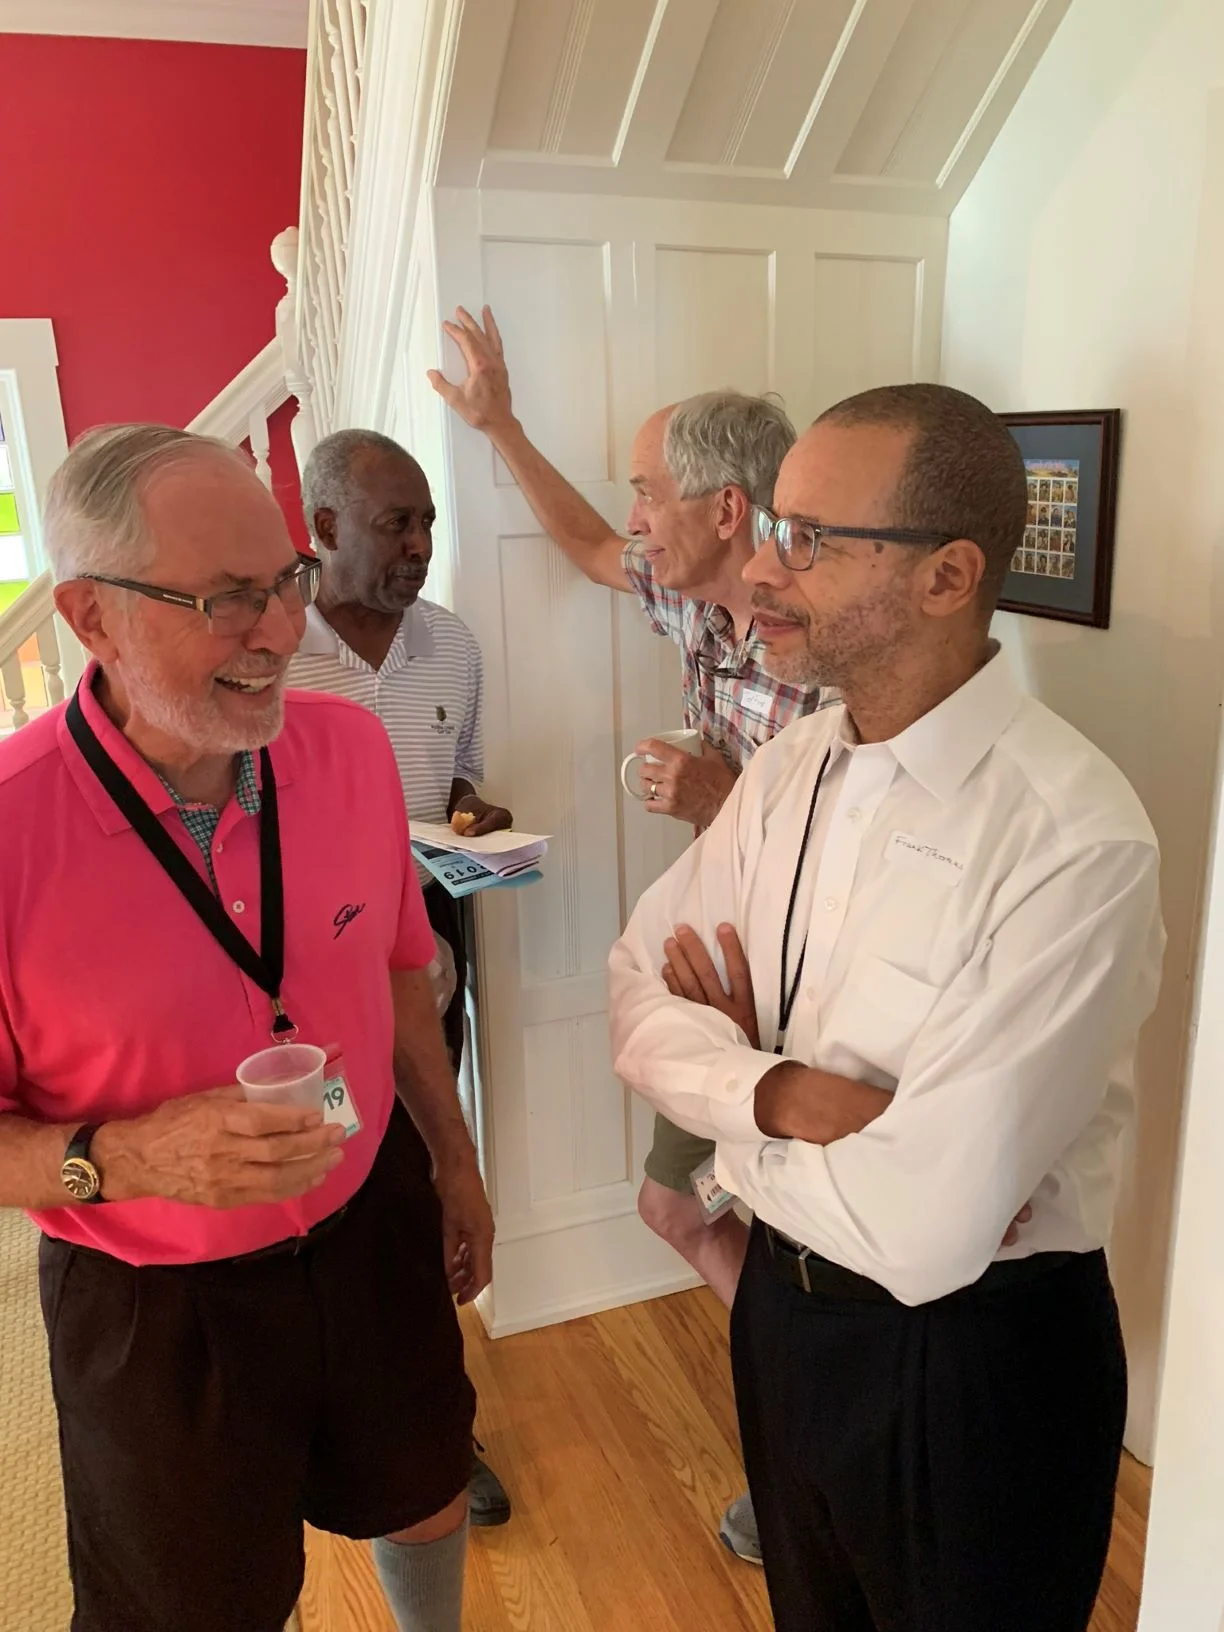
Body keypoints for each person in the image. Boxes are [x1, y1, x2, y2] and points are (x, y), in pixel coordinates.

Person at [609, 383, 1165, 1631]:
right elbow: (634, 993)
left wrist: (732, 1117)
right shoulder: (790, 769)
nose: (761, 569)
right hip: (780, 1318)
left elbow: (926, 1231)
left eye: (808, 539)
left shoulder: (1073, 841)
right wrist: (785, 1094)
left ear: (945, 576)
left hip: (975, 1362)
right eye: (773, 528)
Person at [0, 424, 493, 1632]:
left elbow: (397, 968)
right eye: (227, 599)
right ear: (92, 616)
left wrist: (454, 1159)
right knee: (191, 1604)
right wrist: (129, 1157)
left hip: (370, 1218)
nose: (281, 631)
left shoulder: (352, 750)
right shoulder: (9, 831)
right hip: (157, 1304)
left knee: (425, 1484)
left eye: (287, 581)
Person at [430, 307, 837, 1560]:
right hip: (721, 972)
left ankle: (816, 1457)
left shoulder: (831, 647)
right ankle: (812, 1429)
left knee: (818, 1246)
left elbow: (864, 855)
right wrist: (499, 425)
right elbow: (586, 545)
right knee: (677, 1207)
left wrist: (721, 797)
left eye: (651, 490)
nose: (637, 515)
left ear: (728, 508)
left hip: (820, 999)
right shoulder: (700, 606)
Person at [289, 426, 512, 1526]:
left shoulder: (453, 646)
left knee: (426, 1180)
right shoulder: (269, 651)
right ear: (325, 527)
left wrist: (475, 817)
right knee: (321, 1189)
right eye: (396, 523)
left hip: (423, 964)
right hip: (299, 990)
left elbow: (459, 779)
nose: (421, 543)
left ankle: (435, 1433)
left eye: (426, 521)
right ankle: (311, 1425)